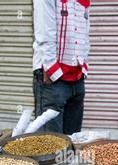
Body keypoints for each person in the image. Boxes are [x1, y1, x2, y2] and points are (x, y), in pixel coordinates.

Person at [32, 0, 90, 135]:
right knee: (50, 143)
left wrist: (83, 65)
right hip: (53, 77)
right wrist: (50, 68)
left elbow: (85, 31)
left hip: (77, 76)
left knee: (72, 139)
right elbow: (45, 30)